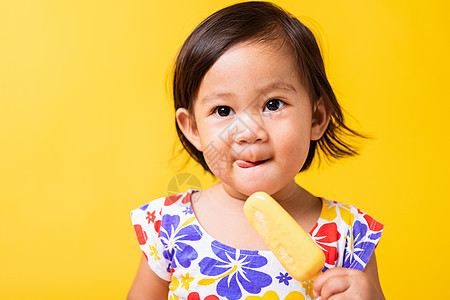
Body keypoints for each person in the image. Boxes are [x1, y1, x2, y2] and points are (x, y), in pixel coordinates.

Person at [128, 2, 384, 299]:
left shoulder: (348, 235)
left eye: (273, 104)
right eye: (223, 110)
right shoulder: (167, 225)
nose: (249, 132)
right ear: (194, 129)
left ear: (315, 118)